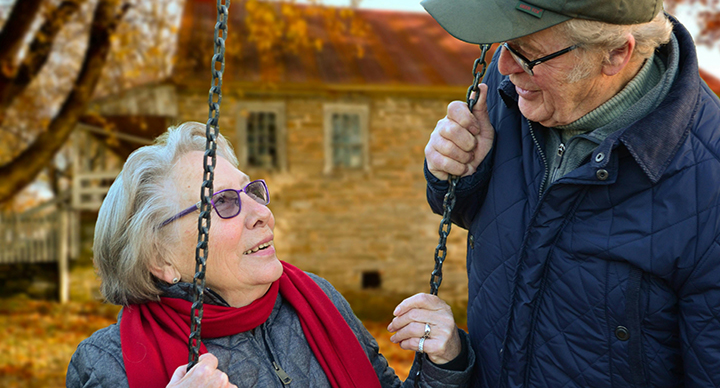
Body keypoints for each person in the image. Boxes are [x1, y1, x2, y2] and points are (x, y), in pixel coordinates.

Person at [421, 0, 720, 386]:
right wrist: (457, 176)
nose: (505, 66)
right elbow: (482, 218)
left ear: (616, 53)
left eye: (526, 52)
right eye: (502, 44)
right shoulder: (514, 89)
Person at [67, 122, 474, 388]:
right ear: (161, 260)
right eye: (224, 203)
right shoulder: (107, 364)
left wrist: (444, 362)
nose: (262, 213)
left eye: (252, 192)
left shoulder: (315, 299)